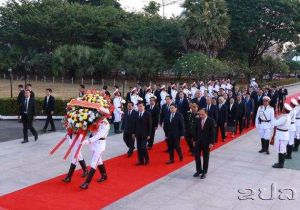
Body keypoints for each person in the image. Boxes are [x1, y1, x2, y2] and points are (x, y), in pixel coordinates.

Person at [80, 117, 110, 189]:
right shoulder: (95, 119)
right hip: (93, 144)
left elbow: (99, 135)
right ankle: (104, 175)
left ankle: (86, 183)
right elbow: (92, 131)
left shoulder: (105, 123)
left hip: (100, 144)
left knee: (94, 162)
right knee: (99, 161)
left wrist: (89, 141)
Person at [193, 108, 215, 179]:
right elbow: (195, 131)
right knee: (197, 156)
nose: (201, 116)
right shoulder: (197, 120)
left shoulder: (211, 121)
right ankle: (198, 170)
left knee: (205, 158)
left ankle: (204, 172)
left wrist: (211, 142)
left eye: (202, 114)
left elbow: (213, 133)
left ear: (206, 113)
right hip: (198, 142)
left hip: (207, 143)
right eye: (200, 114)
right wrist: (194, 140)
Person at [271, 103, 292, 168]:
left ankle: (280, 164)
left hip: (281, 136)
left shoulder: (284, 117)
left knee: (280, 150)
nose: (282, 109)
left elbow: (275, 123)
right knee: (282, 149)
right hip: (284, 135)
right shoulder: (287, 116)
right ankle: (281, 162)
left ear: (285, 110)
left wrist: (274, 117)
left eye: (283, 108)